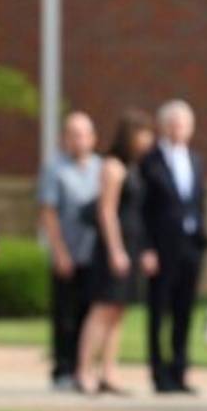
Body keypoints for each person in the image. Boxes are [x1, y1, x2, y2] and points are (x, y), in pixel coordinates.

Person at [75, 110, 152, 396]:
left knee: (118, 311)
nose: (148, 140)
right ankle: (83, 371)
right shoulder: (113, 166)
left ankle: (108, 371)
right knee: (102, 309)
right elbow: (106, 211)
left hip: (131, 246)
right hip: (112, 248)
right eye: (144, 133)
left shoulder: (134, 167)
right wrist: (115, 250)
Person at [141, 99, 207, 393]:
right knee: (159, 311)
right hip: (161, 247)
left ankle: (180, 372)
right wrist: (146, 248)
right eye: (174, 123)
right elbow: (142, 209)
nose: (179, 128)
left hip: (190, 245)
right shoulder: (149, 160)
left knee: (184, 311)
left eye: (184, 124)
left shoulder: (195, 159)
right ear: (163, 126)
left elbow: (198, 201)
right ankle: (159, 374)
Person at [39, 110, 102, 391]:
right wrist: (59, 251)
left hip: (94, 254)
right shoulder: (55, 169)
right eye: (72, 134)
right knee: (65, 315)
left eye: (83, 134)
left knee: (91, 314)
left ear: (93, 138)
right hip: (68, 252)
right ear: (65, 138)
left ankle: (85, 368)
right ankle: (63, 369)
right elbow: (49, 213)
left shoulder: (101, 167)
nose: (78, 140)